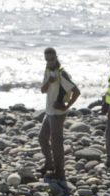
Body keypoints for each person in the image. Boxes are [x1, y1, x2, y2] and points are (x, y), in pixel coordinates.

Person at [38, 47, 80, 184]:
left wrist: (66, 106)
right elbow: (43, 90)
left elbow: (77, 92)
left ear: (56, 57)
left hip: (58, 113)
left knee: (57, 143)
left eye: (52, 59)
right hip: (49, 111)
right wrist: (48, 83)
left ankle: (60, 172)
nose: (50, 62)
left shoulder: (62, 73)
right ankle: (49, 163)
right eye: (47, 59)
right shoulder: (48, 70)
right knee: (42, 138)